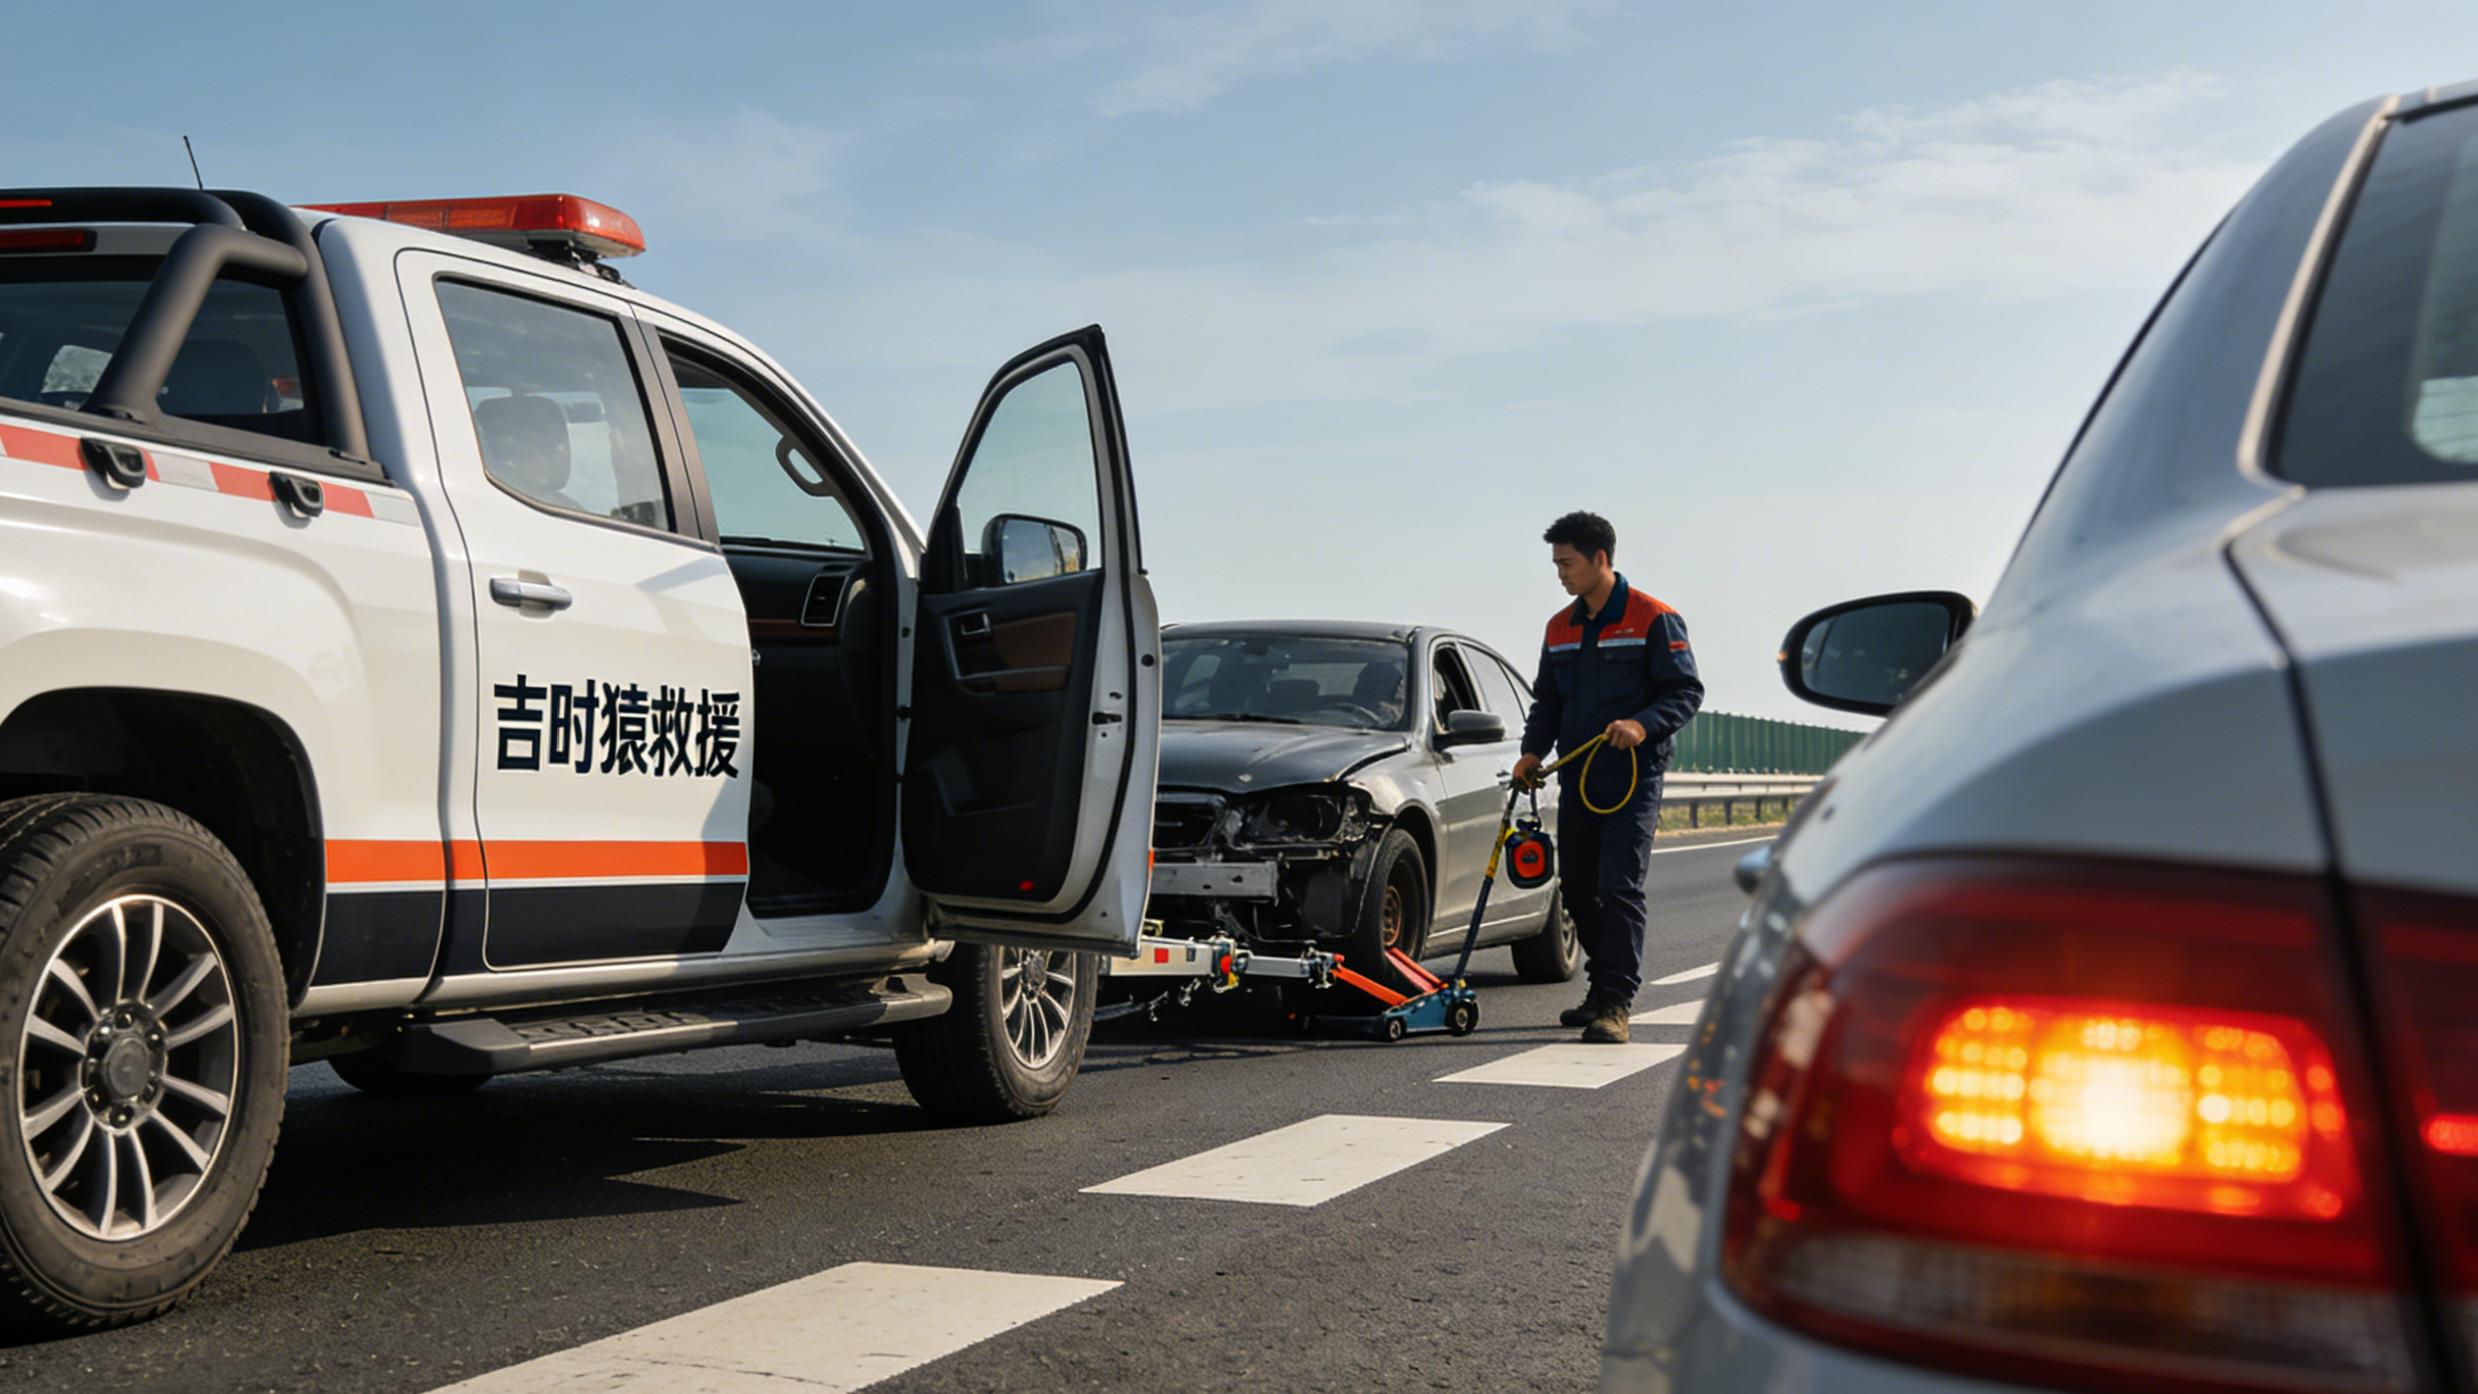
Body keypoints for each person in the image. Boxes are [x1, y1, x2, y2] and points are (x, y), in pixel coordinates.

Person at [1511, 511, 1704, 1043]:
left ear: (1600, 559)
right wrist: (1532, 753)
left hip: (1631, 779)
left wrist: (1642, 726)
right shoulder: (1559, 627)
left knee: (1618, 887)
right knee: (1576, 889)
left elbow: (1686, 693)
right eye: (1556, 565)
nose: (1560, 575)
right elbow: (1548, 701)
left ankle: (1616, 1002)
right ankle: (1601, 986)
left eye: (1567, 563)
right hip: (1577, 776)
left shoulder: (1653, 618)